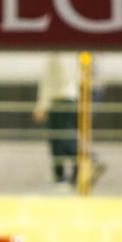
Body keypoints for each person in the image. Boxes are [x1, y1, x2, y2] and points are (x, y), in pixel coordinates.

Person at [33, 51, 82, 185]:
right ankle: (75, 169)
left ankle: (62, 173)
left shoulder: (54, 55)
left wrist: (41, 106)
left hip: (57, 99)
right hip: (72, 98)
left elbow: (49, 81)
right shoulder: (72, 53)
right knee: (67, 136)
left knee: (58, 139)